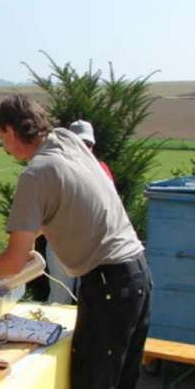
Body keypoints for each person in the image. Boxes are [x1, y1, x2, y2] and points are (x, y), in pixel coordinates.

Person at [0, 95, 151, 389]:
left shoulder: (36, 173)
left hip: (109, 282)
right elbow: (61, 207)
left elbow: (14, 260)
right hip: (138, 273)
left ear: (12, 131)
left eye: (0, 135)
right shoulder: (67, 140)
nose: (2, 144)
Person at [47, 118, 115, 303]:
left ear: (92, 144)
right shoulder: (57, 169)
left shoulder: (102, 169)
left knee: (89, 296)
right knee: (60, 296)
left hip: (92, 245)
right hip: (61, 242)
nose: (84, 148)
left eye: (87, 144)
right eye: (78, 143)